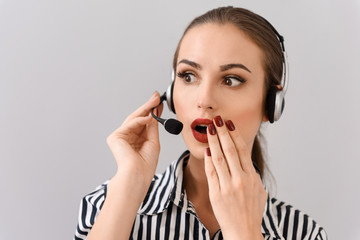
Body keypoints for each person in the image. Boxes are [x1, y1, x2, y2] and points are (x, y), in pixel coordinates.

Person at [74, 6, 327, 240]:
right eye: (189, 76)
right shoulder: (105, 205)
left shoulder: (304, 234)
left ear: (271, 103)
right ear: (171, 93)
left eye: (231, 80)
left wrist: (245, 233)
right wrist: (130, 184)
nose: (204, 100)